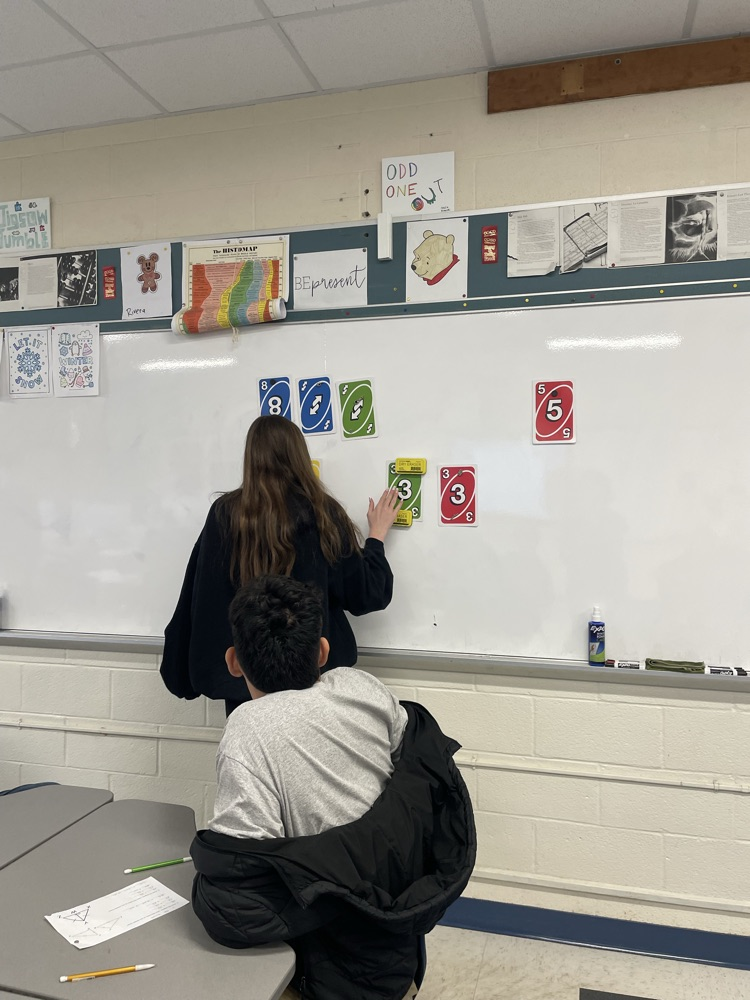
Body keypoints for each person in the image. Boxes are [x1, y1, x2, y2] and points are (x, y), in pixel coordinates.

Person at [190, 576, 476, 1000]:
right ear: (323, 651)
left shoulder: (248, 730)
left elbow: (238, 895)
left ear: (234, 662)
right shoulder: (361, 687)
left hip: (328, 970)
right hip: (400, 945)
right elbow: (412, 766)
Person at [159, 415, 402, 715]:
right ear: (299, 456)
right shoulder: (323, 514)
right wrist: (376, 537)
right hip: (312, 680)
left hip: (247, 684)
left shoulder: (226, 516)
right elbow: (366, 594)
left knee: (251, 757)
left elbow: (199, 599)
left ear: (250, 458)